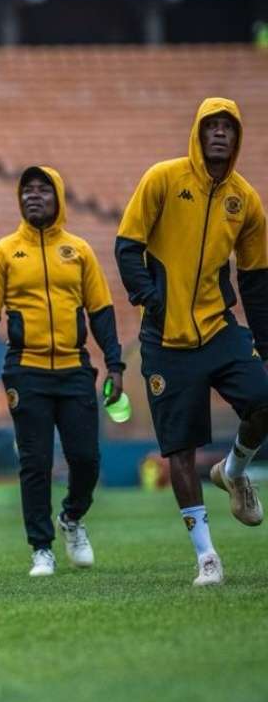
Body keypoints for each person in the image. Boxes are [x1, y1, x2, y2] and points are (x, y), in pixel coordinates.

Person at [115, 97, 268, 586]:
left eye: (228, 127)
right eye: (212, 126)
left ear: (237, 136)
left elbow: (256, 278)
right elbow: (127, 246)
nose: (219, 133)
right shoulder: (163, 178)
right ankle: (207, 556)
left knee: (264, 400)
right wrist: (150, 299)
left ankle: (233, 469)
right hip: (165, 339)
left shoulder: (244, 200)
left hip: (219, 329)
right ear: (199, 133)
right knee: (178, 449)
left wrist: (265, 344)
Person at [0, 166, 125, 576]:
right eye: (27, 190)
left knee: (86, 459)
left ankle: (72, 518)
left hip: (76, 369)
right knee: (35, 463)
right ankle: (41, 548)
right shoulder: (4, 252)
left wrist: (115, 365)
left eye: (43, 189)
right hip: (26, 372)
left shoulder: (79, 250)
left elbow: (102, 313)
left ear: (58, 196)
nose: (33, 196)